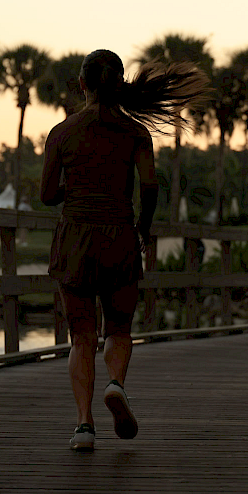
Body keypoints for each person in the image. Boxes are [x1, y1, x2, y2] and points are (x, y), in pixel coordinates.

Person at [40, 49, 209, 451]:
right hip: (119, 237)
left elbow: (47, 195)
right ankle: (116, 384)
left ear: (82, 84)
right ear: (119, 85)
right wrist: (143, 229)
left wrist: (76, 189)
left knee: (81, 336)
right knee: (118, 329)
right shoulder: (135, 134)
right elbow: (149, 186)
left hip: (75, 241)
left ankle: (84, 426)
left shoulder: (62, 133)